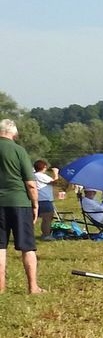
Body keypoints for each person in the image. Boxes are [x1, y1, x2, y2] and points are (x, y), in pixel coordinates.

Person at [0, 119, 42, 294]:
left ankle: (1, 288)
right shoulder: (18, 150)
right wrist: (35, 204)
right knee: (27, 246)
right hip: (19, 202)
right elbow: (30, 183)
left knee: (0, 247)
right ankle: (33, 286)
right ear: (14, 133)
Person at [33, 160, 55, 238]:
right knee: (47, 218)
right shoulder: (40, 175)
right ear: (44, 167)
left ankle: (45, 234)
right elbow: (55, 182)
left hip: (41, 200)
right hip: (44, 200)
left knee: (46, 218)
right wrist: (56, 173)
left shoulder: (34, 175)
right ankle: (46, 235)